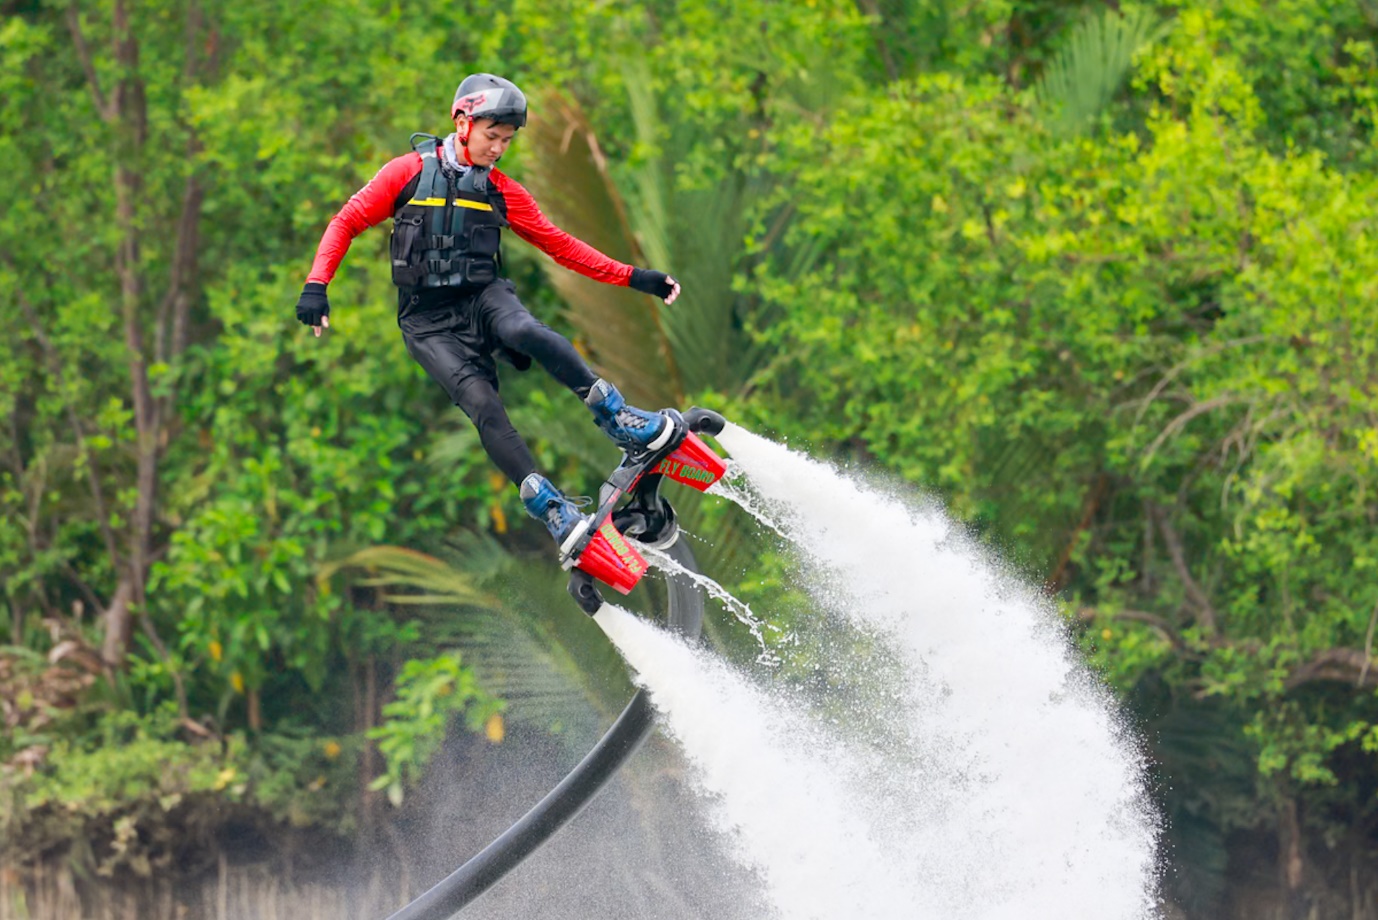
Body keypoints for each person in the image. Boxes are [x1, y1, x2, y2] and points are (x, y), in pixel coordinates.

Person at [295, 73, 681, 552]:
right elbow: (346, 221)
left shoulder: (501, 190)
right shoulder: (406, 172)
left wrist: (633, 276)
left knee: (526, 329)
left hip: (483, 297)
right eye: (491, 136)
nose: (499, 148)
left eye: (507, 140)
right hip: (426, 322)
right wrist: (317, 283)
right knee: (484, 406)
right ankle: (555, 510)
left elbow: (560, 245)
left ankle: (617, 418)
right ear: (462, 122)